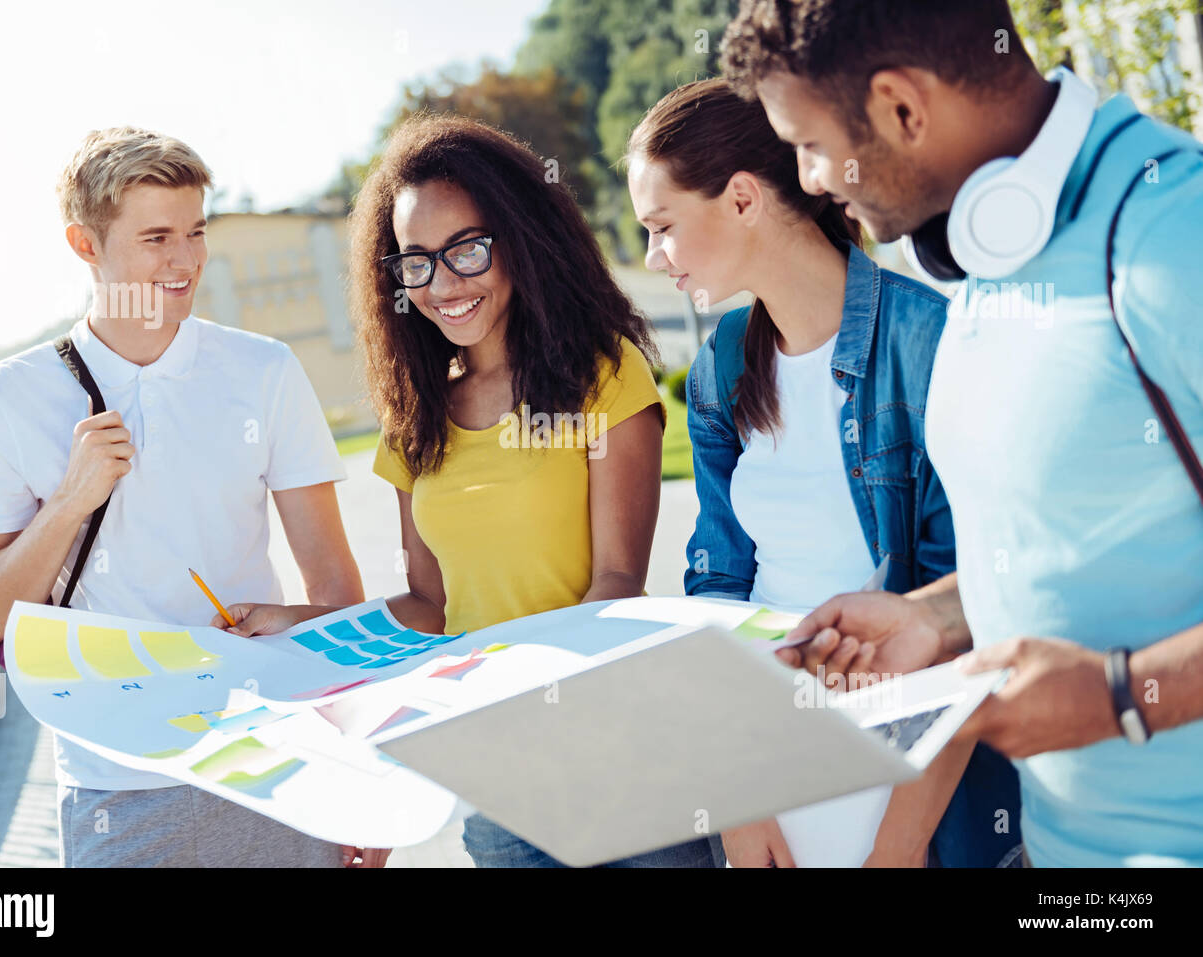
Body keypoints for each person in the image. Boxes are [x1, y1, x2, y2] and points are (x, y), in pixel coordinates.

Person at [723, 0, 1203, 866]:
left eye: (811, 144)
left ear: (904, 108)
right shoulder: (987, 247)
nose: (813, 178)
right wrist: (937, 619)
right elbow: (1085, 537)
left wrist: (1119, 694)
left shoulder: (1175, 237)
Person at [220, 114, 723, 868]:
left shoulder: (603, 373)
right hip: (498, 778)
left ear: (518, 237)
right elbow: (430, 605)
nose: (443, 284)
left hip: (622, 755)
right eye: (415, 262)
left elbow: (615, 585)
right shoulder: (415, 419)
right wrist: (295, 628)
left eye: (467, 249)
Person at [0, 126, 380, 868]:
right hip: (119, 789)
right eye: (155, 238)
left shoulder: (263, 372)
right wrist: (69, 503)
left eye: (196, 232)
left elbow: (337, 593)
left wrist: (358, 777)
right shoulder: (9, 398)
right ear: (86, 245)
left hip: (275, 762)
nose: (185, 262)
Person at [627, 77, 1020, 867]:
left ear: (742, 199)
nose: (651, 256)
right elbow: (719, 594)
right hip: (771, 778)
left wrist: (901, 846)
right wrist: (740, 798)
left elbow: (972, 617)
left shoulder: (931, 343)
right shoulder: (720, 364)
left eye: (661, 225)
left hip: (914, 799)